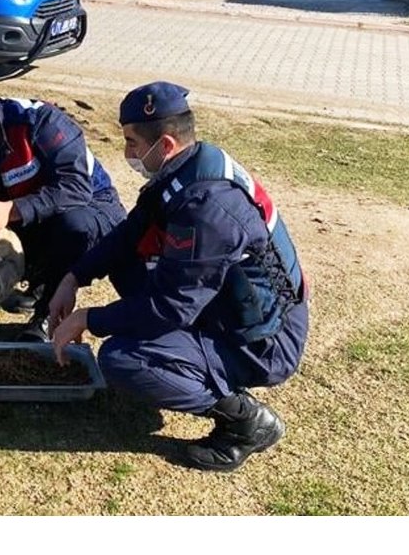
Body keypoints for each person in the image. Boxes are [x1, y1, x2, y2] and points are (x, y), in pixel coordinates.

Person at [47, 81, 310, 473]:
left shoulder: (208, 210)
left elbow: (171, 307)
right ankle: (187, 357)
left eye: (133, 143)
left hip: (262, 341)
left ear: (165, 145)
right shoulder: (188, 167)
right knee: (124, 257)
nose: (128, 154)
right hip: (227, 301)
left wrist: (90, 319)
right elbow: (129, 233)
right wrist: (74, 276)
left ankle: (246, 422)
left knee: (122, 359)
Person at [0, 79, 127, 341]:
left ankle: (47, 315)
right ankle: (38, 278)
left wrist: (12, 210)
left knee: (73, 227)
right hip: (26, 218)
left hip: (91, 207)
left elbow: (75, 187)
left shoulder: (37, 120)